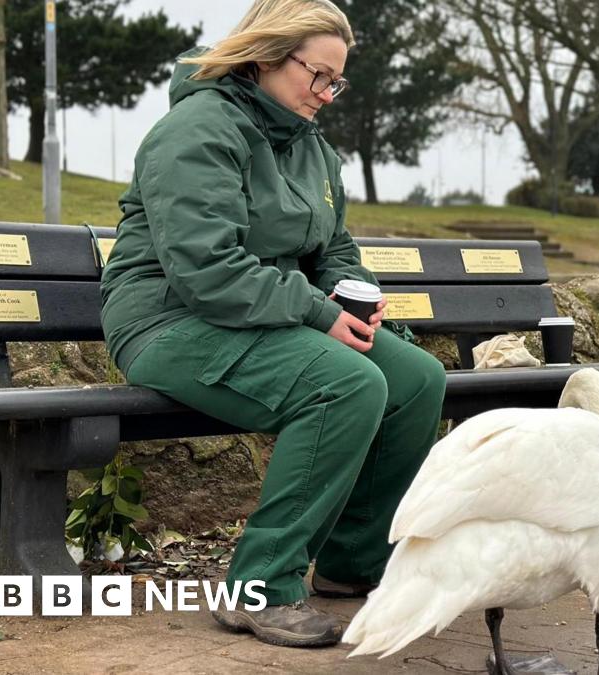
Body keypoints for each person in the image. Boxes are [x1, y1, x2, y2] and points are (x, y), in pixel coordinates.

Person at [99, 0, 446, 648]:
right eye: (317, 75)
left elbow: (331, 247)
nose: (327, 94)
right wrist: (319, 311)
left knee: (417, 379)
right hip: (170, 322)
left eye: (335, 81)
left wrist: (353, 293)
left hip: (265, 315)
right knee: (344, 383)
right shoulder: (197, 130)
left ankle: (353, 565)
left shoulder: (311, 145)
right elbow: (206, 268)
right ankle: (259, 585)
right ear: (265, 56)